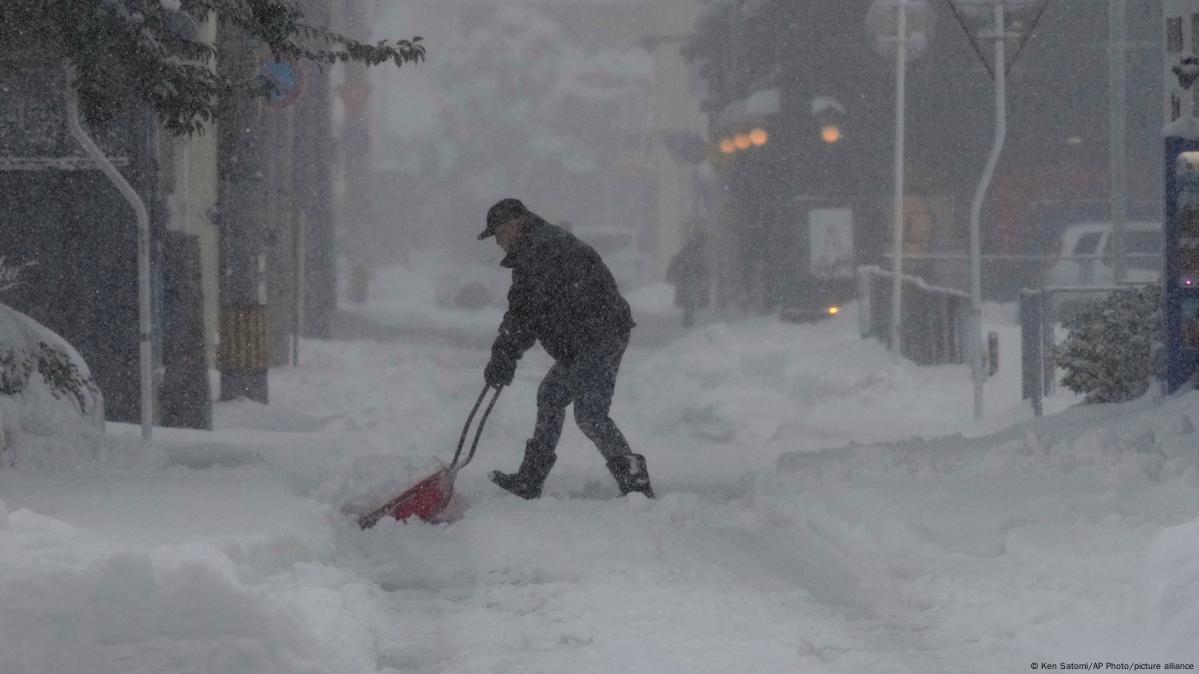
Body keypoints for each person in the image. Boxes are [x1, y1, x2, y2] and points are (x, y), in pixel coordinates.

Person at [478, 198, 654, 499]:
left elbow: (525, 311)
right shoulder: (535, 246)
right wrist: (506, 352)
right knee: (552, 396)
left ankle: (634, 482)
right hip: (586, 338)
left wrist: (505, 352)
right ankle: (530, 479)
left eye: (498, 233)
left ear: (515, 223)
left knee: (590, 414)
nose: (498, 241)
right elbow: (528, 311)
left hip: (598, 337)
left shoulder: (540, 250)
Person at [666, 229, 711, 328]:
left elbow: (678, 261)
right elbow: (700, 264)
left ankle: (689, 319)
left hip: (688, 278)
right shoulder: (697, 250)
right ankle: (689, 320)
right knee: (691, 300)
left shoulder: (690, 249)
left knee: (690, 300)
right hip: (691, 278)